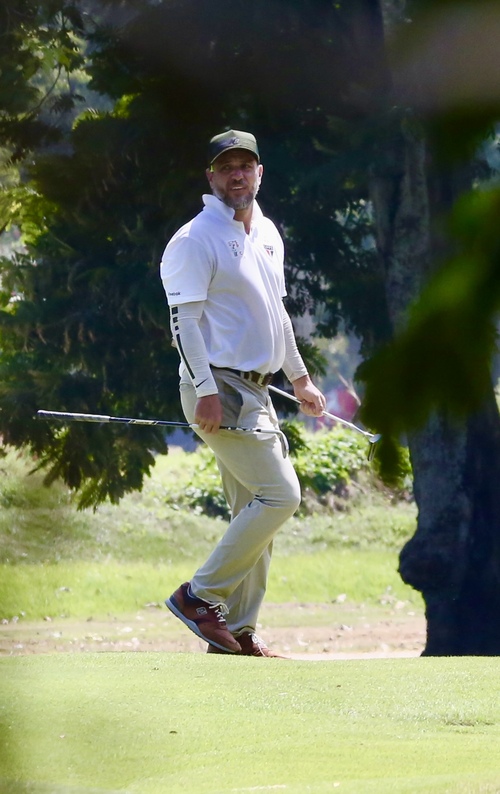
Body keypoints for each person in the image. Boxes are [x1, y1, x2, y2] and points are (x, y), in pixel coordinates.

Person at [160, 129, 326, 657]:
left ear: (259, 172)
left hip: (258, 389)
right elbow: (183, 324)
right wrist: (205, 389)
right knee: (281, 495)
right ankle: (198, 596)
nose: (237, 174)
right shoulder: (195, 238)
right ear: (210, 176)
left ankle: (238, 634)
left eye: (245, 165)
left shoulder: (268, 232)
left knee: (255, 514)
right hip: (219, 388)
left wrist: (299, 379)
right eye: (226, 166)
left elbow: (277, 318)